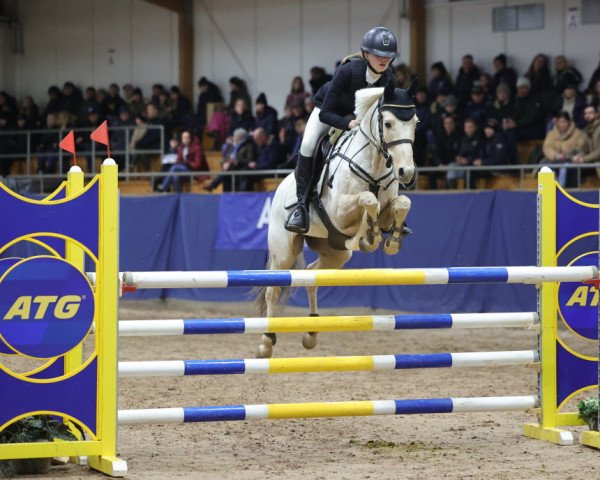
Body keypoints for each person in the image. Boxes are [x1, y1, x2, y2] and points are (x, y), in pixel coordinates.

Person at [284, 26, 400, 234]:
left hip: (360, 120)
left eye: (388, 56)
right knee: (309, 144)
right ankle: (300, 205)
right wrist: (348, 123)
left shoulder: (389, 78)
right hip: (330, 111)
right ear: (365, 54)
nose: (384, 60)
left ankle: (389, 206)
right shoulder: (347, 71)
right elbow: (325, 113)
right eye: (378, 55)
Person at [542, 111, 589, 187]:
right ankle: (550, 190)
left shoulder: (577, 133)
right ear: (557, 123)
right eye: (560, 122)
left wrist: (567, 155)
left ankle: (561, 189)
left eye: (564, 122)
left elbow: (580, 147)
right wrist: (556, 155)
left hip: (572, 161)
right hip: (554, 160)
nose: (562, 124)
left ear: (569, 122)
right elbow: (547, 147)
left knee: (565, 166)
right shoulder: (551, 134)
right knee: (546, 167)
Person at [447, 118, 482, 189]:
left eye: (470, 127)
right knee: (451, 166)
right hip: (463, 165)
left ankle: (468, 194)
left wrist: (468, 161)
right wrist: (458, 158)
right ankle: (452, 191)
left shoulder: (480, 139)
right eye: (466, 127)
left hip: (474, 166)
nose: (468, 129)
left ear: (474, 128)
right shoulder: (463, 139)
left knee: (468, 172)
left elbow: (480, 155)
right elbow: (459, 152)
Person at [573, 105, 600, 178]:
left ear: (597, 114)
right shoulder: (587, 130)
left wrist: (584, 159)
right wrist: (580, 155)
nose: (588, 115)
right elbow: (585, 148)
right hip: (595, 162)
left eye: (590, 113)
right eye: (586, 113)